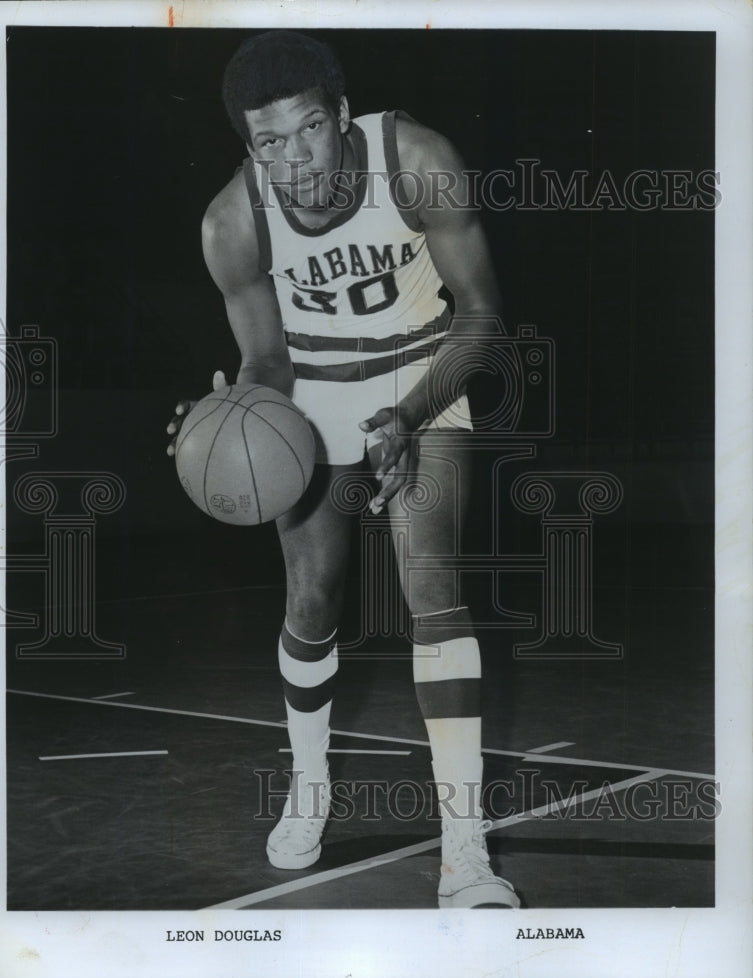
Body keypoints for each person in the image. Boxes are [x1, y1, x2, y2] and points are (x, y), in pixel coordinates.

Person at [167, 29, 519, 909]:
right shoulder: (230, 222)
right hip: (317, 383)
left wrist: (404, 416)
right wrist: (227, 419)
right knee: (311, 598)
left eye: (309, 130)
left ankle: (465, 853)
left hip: (422, 372)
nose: (294, 159)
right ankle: (310, 786)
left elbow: (480, 317)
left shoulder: (419, 161)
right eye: (268, 142)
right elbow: (268, 365)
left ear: (341, 114)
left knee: (431, 586)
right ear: (248, 147)